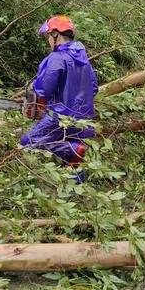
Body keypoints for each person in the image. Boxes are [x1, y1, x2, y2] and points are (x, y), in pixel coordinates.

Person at [20, 15, 98, 183]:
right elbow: (93, 88)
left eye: (49, 36)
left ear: (56, 34)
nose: (48, 40)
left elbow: (44, 89)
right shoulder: (83, 59)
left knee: (27, 142)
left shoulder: (57, 58)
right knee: (74, 161)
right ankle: (78, 191)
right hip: (83, 120)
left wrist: (35, 89)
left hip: (60, 118)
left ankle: (71, 149)